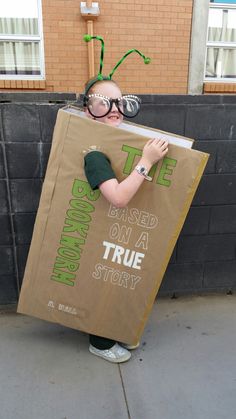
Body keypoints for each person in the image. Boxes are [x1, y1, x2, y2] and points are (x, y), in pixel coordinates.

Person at [83, 77, 169, 363]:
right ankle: (100, 341)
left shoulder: (116, 144)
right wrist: (147, 160)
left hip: (116, 230)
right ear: (88, 109)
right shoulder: (95, 154)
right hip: (97, 231)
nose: (114, 108)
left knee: (119, 279)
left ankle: (114, 329)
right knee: (103, 282)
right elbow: (118, 198)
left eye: (119, 102)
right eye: (104, 102)